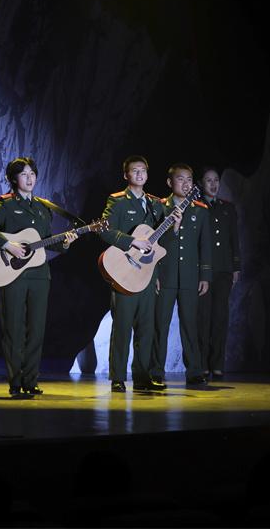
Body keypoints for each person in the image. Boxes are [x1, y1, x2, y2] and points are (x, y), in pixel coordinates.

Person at [0, 157, 76, 397]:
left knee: (36, 329)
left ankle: (31, 380)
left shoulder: (43, 208)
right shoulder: (5, 205)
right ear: (14, 179)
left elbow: (46, 241)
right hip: (12, 275)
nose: (30, 178)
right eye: (24, 174)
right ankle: (15, 381)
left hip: (40, 275)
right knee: (13, 329)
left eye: (32, 173)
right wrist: (8, 245)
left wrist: (65, 243)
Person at [99, 156, 166, 392]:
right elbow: (105, 231)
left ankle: (142, 377)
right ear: (126, 175)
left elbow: (160, 243)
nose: (139, 174)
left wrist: (176, 225)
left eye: (143, 170)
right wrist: (132, 241)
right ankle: (117, 377)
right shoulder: (117, 201)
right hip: (124, 272)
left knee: (146, 329)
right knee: (122, 327)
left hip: (147, 274)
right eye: (134, 170)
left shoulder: (156, 204)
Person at [150, 164, 212, 386]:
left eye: (189, 180)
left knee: (190, 325)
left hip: (189, 277)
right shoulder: (159, 208)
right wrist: (154, 274)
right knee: (160, 325)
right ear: (170, 182)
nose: (185, 184)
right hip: (164, 275)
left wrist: (205, 276)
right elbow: (152, 243)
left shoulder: (200, 210)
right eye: (180, 179)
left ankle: (194, 371)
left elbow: (205, 246)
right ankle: (156, 371)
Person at [196, 168, 241, 381]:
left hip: (223, 270)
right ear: (201, 183)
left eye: (216, 180)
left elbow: (234, 239)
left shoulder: (228, 208)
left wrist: (236, 267)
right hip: (203, 272)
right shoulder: (196, 207)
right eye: (209, 180)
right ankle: (203, 365)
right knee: (203, 318)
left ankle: (217, 365)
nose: (213, 184)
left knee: (220, 318)